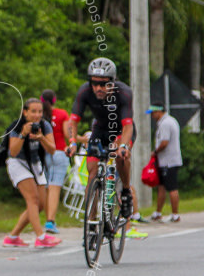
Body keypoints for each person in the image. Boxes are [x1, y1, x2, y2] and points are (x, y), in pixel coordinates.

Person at [64, 58, 136, 222]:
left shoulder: (123, 93)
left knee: (120, 155)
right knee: (93, 173)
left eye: (103, 84)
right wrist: (73, 142)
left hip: (121, 130)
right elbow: (73, 121)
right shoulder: (85, 91)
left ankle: (125, 191)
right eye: (94, 83)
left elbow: (128, 126)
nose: (98, 88)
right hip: (100, 130)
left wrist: (123, 146)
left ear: (112, 82)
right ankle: (91, 220)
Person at [3, 98, 60, 248]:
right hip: (18, 163)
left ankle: (13, 237)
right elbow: (13, 152)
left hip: (35, 164)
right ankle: (40, 237)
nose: (37, 115)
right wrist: (23, 134)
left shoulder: (44, 125)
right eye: (33, 111)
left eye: (40, 111)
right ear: (25, 112)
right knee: (32, 199)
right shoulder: (17, 126)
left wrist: (41, 138)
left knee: (40, 204)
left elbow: (52, 149)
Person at [39, 90, 69, 234]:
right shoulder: (62, 114)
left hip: (43, 153)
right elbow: (67, 134)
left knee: (45, 188)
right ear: (54, 100)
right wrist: (80, 140)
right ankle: (51, 221)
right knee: (55, 187)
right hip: (59, 152)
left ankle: (47, 219)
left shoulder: (39, 115)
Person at [147, 103, 182, 222]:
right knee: (161, 187)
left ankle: (175, 214)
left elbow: (164, 142)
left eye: (152, 113)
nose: (152, 116)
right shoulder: (167, 121)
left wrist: (155, 152)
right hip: (165, 161)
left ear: (159, 111)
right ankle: (158, 212)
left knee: (172, 187)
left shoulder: (166, 123)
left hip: (169, 161)